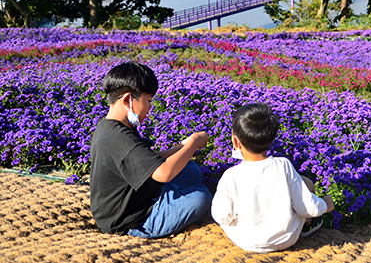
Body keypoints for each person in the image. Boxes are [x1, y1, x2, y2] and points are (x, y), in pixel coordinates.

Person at [90, 61, 212, 238]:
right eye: (148, 100)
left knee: (191, 170)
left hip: (139, 194)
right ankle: (168, 201)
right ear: (127, 100)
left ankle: (171, 195)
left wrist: (183, 146)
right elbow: (163, 174)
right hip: (130, 219)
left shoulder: (113, 127)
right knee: (201, 198)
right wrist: (193, 143)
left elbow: (147, 159)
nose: (150, 107)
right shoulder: (117, 137)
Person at [211, 103, 334, 253]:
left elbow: (221, 216)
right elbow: (307, 207)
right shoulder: (283, 166)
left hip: (246, 241)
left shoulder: (231, 176)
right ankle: (309, 225)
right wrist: (326, 204)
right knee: (305, 184)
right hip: (287, 239)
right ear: (271, 138)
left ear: (235, 141)